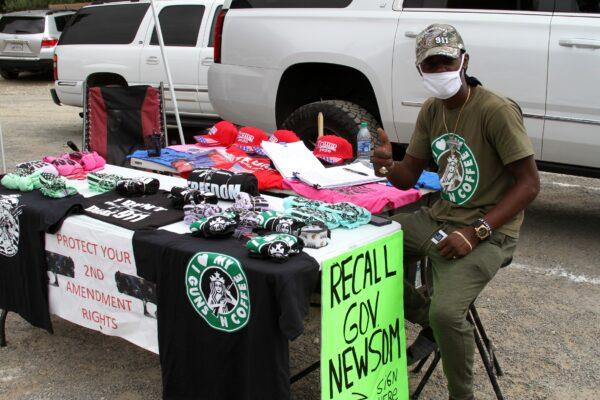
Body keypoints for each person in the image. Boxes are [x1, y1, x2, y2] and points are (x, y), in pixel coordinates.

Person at [371, 24, 540, 400]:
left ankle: (460, 392)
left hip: (490, 232)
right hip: (440, 219)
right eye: (429, 65)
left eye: (445, 61)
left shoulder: (495, 110)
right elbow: (407, 176)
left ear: (464, 60)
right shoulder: (432, 110)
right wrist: (384, 165)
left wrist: (476, 232)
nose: (438, 71)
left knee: (448, 315)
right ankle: (426, 317)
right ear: (420, 70)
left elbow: (529, 184)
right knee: (365, 251)